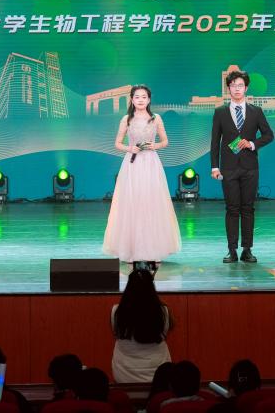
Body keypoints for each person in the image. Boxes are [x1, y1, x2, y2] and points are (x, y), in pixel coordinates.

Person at [102, 85, 181, 267]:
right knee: (132, 203)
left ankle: (155, 250)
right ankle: (131, 250)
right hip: (133, 165)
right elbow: (117, 143)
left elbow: (165, 141)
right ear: (132, 99)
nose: (140, 100)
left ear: (149, 100)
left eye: (144, 97)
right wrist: (130, 148)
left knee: (152, 203)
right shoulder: (126, 119)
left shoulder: (156, 118)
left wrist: (155, 146)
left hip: (151, 164)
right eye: (137, 97)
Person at [210, 69, 274, 263]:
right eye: (233, 85)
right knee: (232, 209)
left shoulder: (256, 111)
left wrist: (252, 143)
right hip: (228, 168)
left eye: (240, 85)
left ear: (246, 88)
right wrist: (214, 167)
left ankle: (247, 249)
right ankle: (232, 250)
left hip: (249, 167)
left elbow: (269, 135)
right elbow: (215, 142)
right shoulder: (220, 112)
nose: (237, 89)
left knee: (248, 208)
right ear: (228, 89)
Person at [110, 268, 172, 383]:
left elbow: (115, 333)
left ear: (129, 287)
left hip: (123, 374)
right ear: (151, 287)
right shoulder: (163, 311)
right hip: (159, 375)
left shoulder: (116, 311)